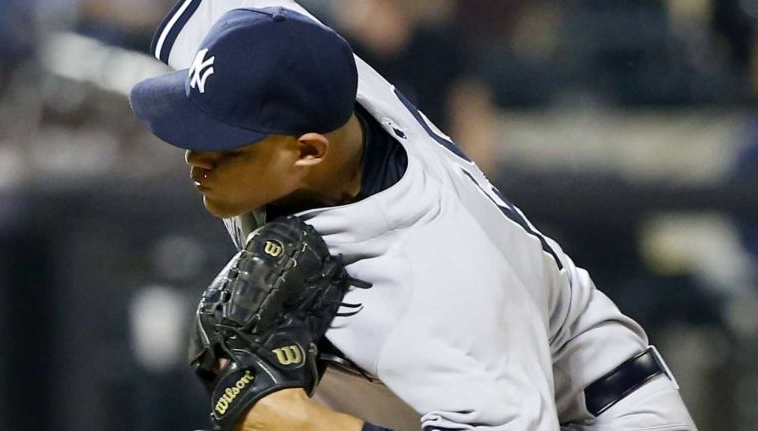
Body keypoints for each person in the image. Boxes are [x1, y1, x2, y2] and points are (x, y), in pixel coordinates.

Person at [129, 1, 698, 430]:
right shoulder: (293, 67)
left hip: (581, 413)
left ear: (307, 151)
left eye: (225, 148)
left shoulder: (435, 280)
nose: (195, 158)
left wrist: (301, 422)